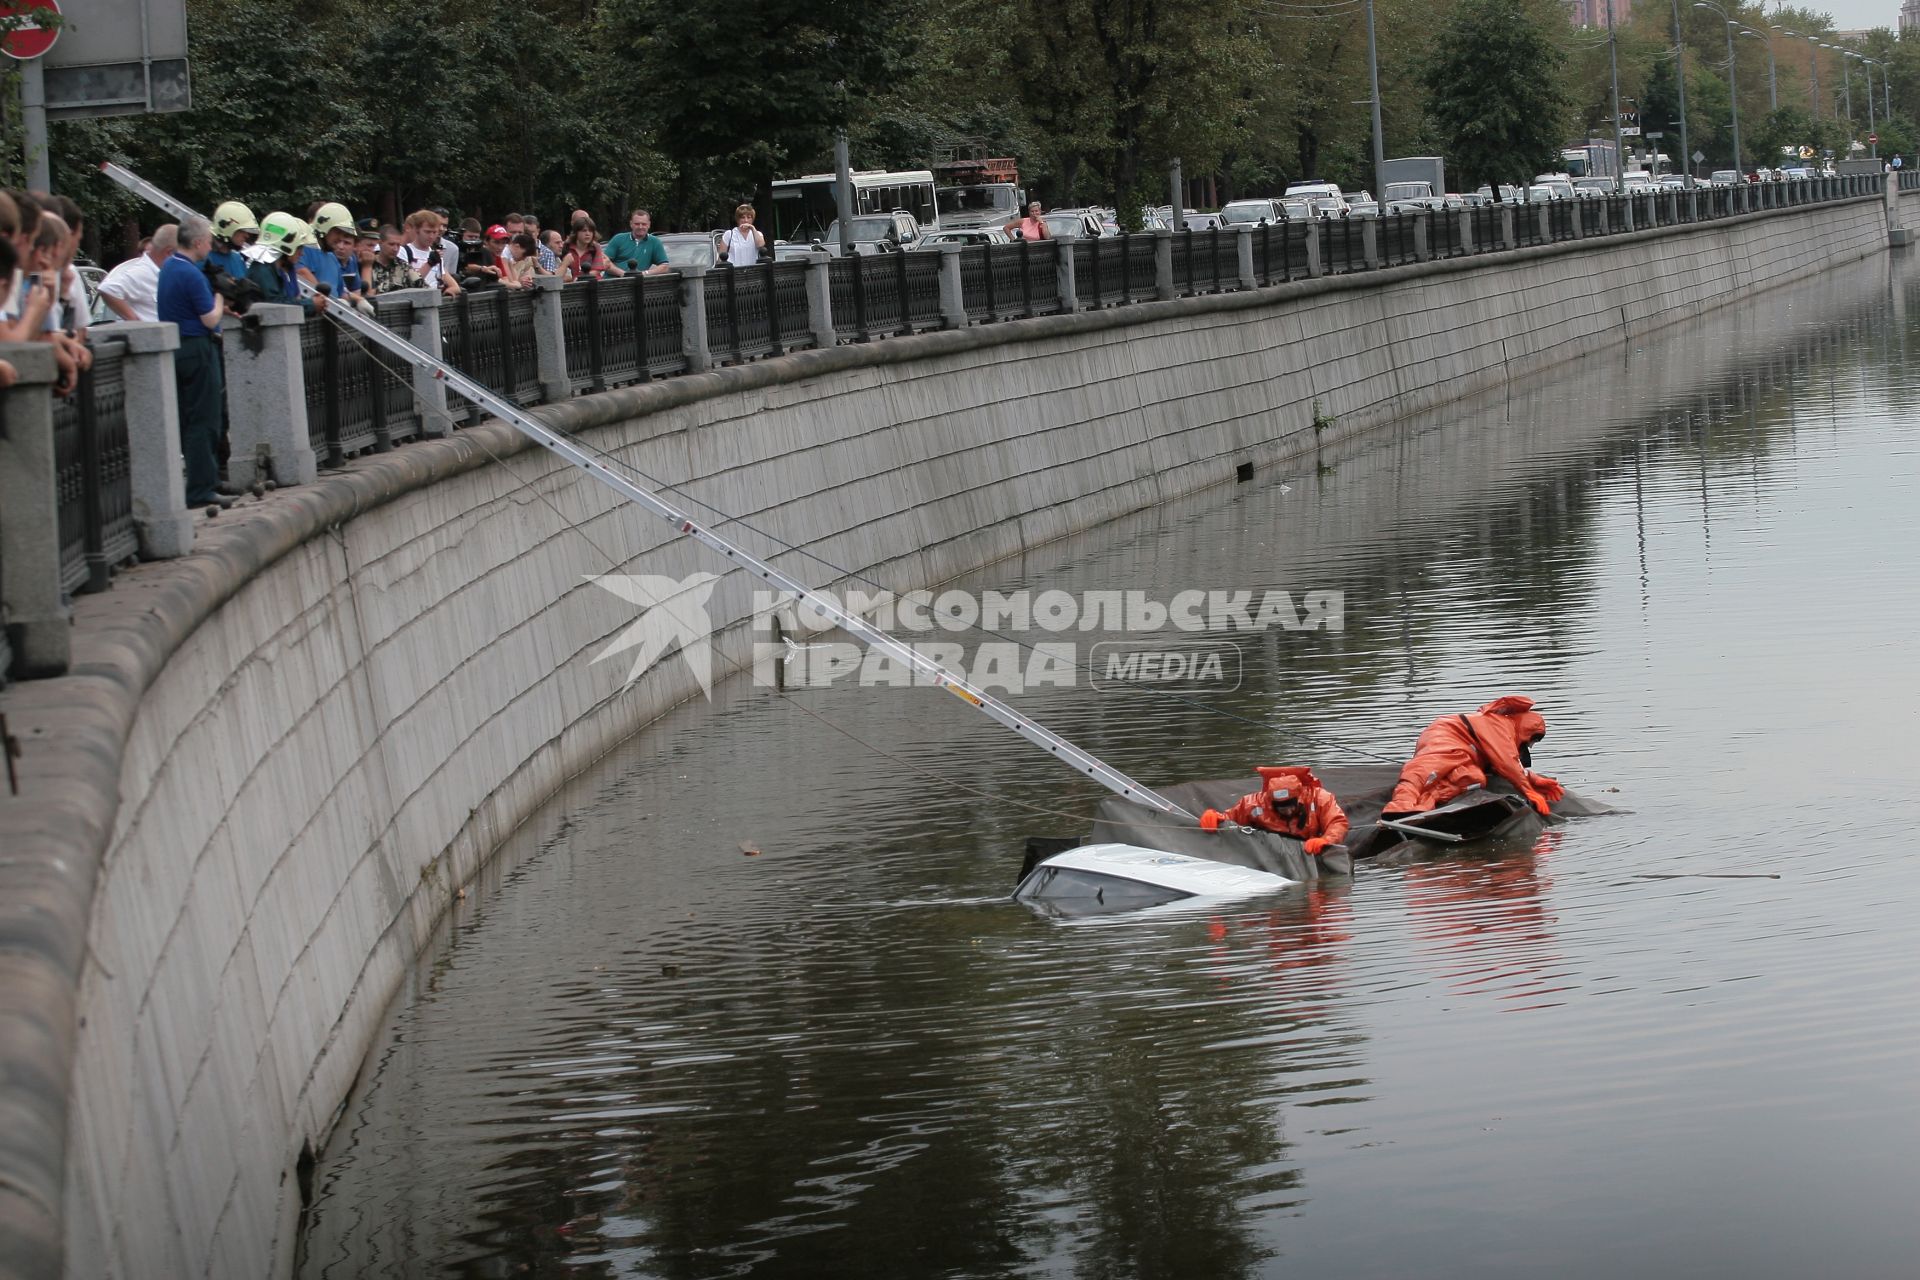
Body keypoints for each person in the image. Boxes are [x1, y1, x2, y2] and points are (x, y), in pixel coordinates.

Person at [1385, 695, 1565, 817]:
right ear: (1526, 730)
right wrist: (1529, 791)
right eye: (1532, 740)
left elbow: (1500, 765)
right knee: (1423, 772)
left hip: (1466, 753)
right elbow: (1506, 763)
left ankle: (1425, 804)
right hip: (1447, 737)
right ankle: (1400, 805)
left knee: (1473, 778)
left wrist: (1533, 778)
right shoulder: (1499, 725)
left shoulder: (1505, 735)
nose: (1529, 746)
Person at [158, 215, 228, 510]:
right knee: (205, 419)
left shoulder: (169, 268)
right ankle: (202, 489)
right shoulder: (191, 273)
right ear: (198, 242)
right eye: (209, 242)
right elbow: (209, 319)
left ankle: (200, 482)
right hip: (198, 348)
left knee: (187, 419)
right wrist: (222, 299)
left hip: (176, 348)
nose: (210, 247)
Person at [1199, 767, 1350, 854]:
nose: (1287, 811)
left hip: (1311, 852)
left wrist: (1325, 840)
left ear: (1299, 798)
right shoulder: (1253, 803)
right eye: (1281, 807)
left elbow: (1337, 823)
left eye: (1291, 805)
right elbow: (1230, 818)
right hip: (1273, 854)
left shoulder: (1320, 798)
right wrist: (1214, 817)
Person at [243, 212, 328, 315]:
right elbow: (274, 306)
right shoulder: (262, 269)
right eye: (299, 247)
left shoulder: (286, 268)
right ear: (285, 245)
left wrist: (313, 303)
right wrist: (310, 304)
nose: (302, 253)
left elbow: (292, 300)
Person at [98, 224, 179, 322]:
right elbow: (108, 289)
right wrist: (135, 321)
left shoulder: (163, 272)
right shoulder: (142, 272)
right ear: (169, 252)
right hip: (150, 335)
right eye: (181, 255)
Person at [397, 209, 461, 294]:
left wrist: (447, 292)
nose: (431, 236)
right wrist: (429, 264)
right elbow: (407, 284)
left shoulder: (435, 254)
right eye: (427, 232)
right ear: (417, 230)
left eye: (434, 232)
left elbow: (455, 286)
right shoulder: (403, 251)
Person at [605, 208, 672, 275]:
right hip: (613, 282)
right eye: (637, 224)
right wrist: (623, 274)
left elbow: (665, 266)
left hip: (637, 282)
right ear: (631, 224)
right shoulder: (618, 238)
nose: (640, 227)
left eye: (644, 224)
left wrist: (645, 273)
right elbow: (604, 261)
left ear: (649, 224)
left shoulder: (655, 242)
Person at [365, 225, 426, 295]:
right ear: (380, 243)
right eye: (391, 244)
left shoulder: (404, 267)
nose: (395, 249)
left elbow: (423, 286)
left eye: (398, 245)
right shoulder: (368, 264)